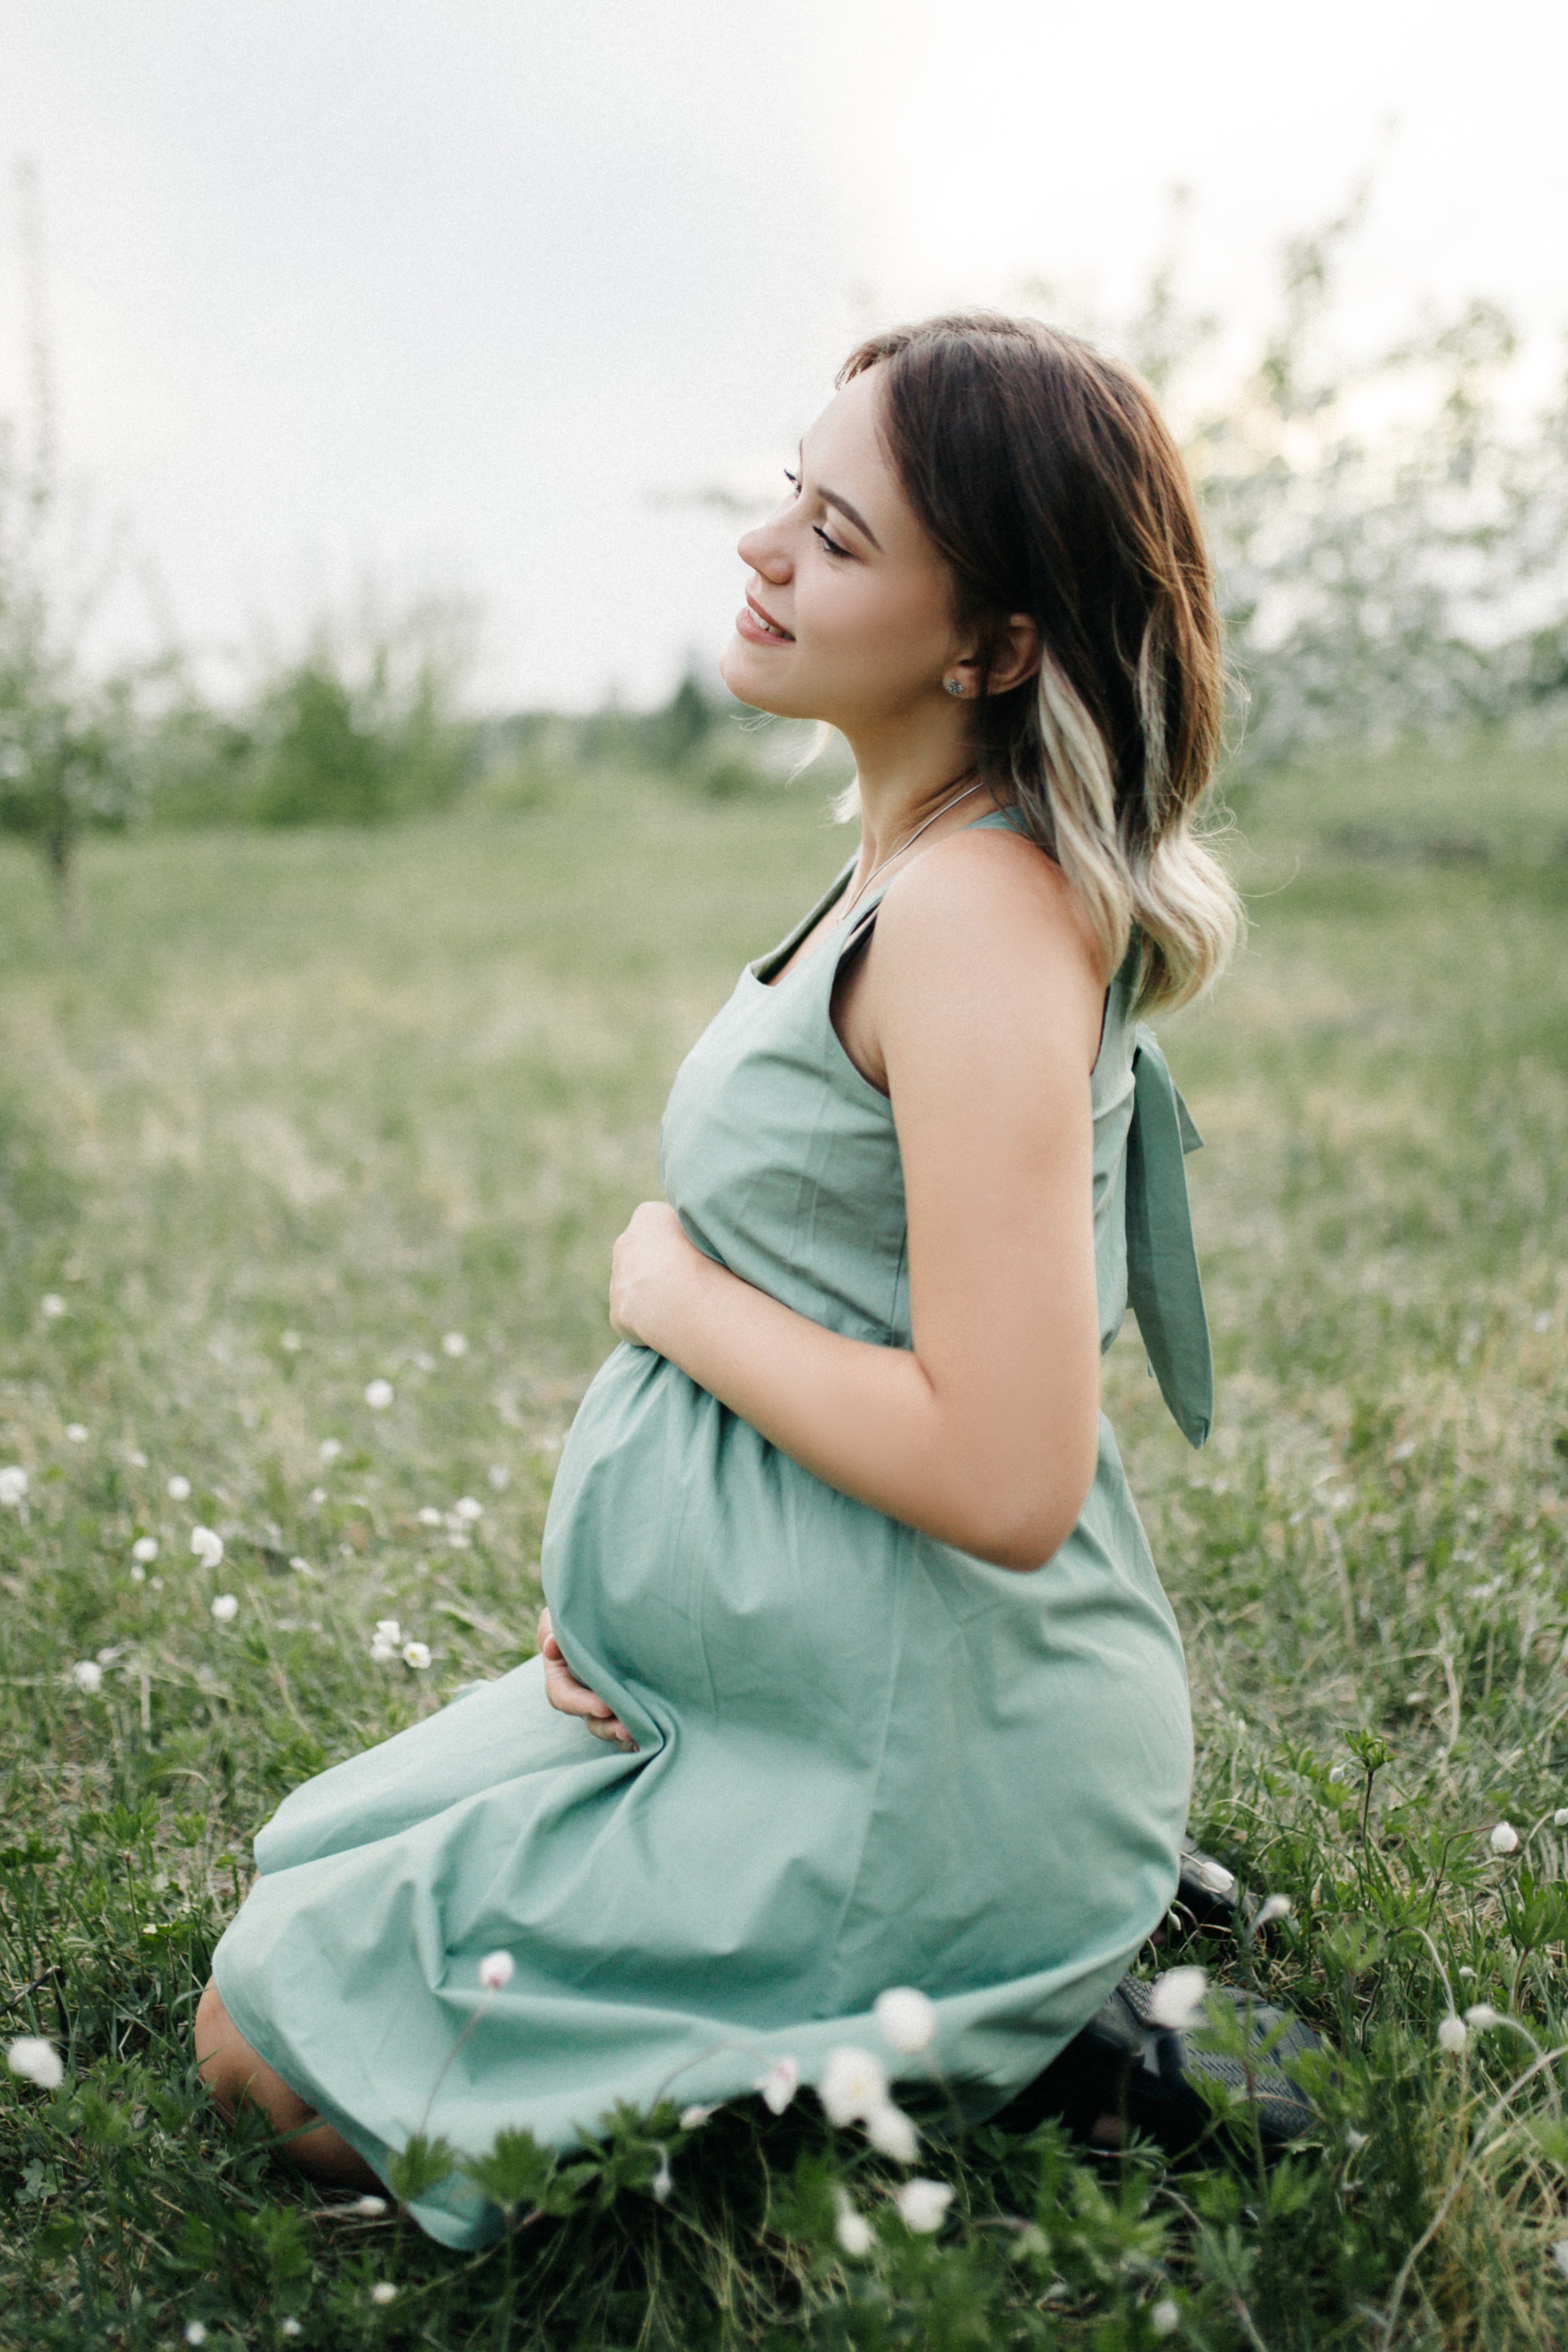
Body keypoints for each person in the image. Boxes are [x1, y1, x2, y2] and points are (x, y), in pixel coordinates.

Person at [195, 314, 1241, 2247]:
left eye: (839, 536)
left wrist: (668, 1293)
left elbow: (1008, 1475)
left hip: (921, 1745)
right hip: (762, 1684)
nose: (764, 550)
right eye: (792, 491)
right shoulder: (906, 864)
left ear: (993, 646)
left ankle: (1028, 2026)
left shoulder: (982, 919)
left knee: (269, 2048)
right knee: (313, 1864)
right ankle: (940, 1976)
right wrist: (669, 1623)